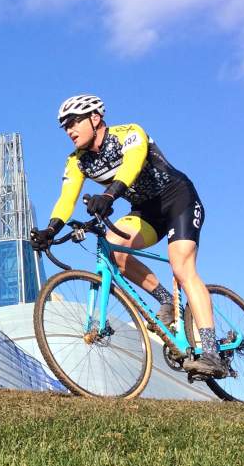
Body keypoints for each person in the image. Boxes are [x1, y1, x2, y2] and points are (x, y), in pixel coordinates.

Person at [29, 95, 225, 378]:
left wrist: (109, 195)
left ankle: (212, 353)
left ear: (95, 118)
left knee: (181, 267)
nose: (69, 130)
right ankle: (166, 300)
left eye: (74, 122)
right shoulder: (77, 161)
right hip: (146, 211)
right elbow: (66, 199)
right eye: (65, 126)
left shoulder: (129, 134)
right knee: (115, 249)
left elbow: (131, 165)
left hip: (178, 199)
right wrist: (50, 230)